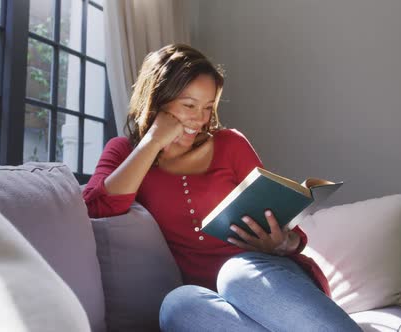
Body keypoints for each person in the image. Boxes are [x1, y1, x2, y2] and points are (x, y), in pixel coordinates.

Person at [83, 44, 361, 332]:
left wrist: (282, 243)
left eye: (207, 108)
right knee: (176, 304)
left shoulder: (231, 144)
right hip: (212, 304)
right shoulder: (126, 152)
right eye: (189, 105)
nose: (200, 120)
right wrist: (152, 142)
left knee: (235, 272)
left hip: (272, 283)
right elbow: (97, 206)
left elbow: (292, 231)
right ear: (157, 101)